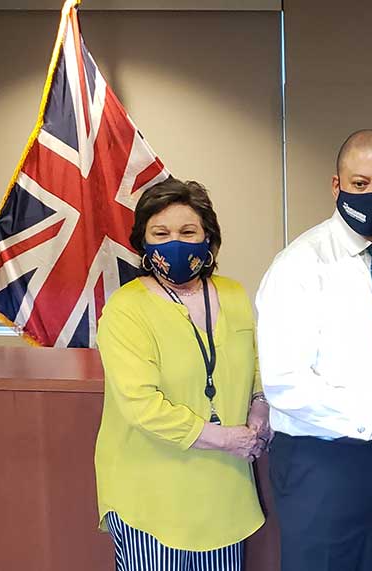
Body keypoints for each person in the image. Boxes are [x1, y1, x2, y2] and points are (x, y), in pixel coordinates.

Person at [256, 129, 372, 571]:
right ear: (336, 186)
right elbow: (285, 383)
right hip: (320, 463)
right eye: (360, 184)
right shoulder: (298, 266)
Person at [95, 178, 269, 570]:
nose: (175, 242)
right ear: (143, 242)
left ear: (209, 239)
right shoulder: (126, 309)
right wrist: (225, 438)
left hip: (224, 495)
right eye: (161, 233)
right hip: (151, 499)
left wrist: (260, 407)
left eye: (188, 231)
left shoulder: (234, 295)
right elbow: (142, 406)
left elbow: (257, 365)